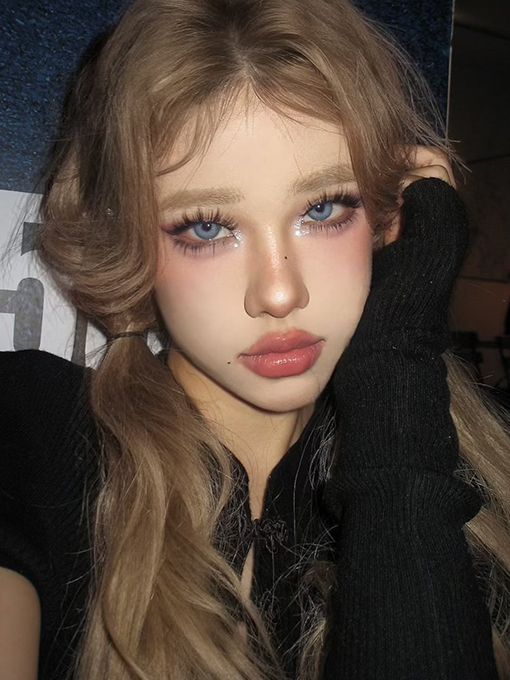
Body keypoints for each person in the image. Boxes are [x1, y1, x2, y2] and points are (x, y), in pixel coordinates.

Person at [1, 0, 509, 678]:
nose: (278, 292)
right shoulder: (31, 435)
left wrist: (398, 376)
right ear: (128, 241)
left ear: (393, 220)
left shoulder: (488, 474)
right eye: (206, 226)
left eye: (323, 209)